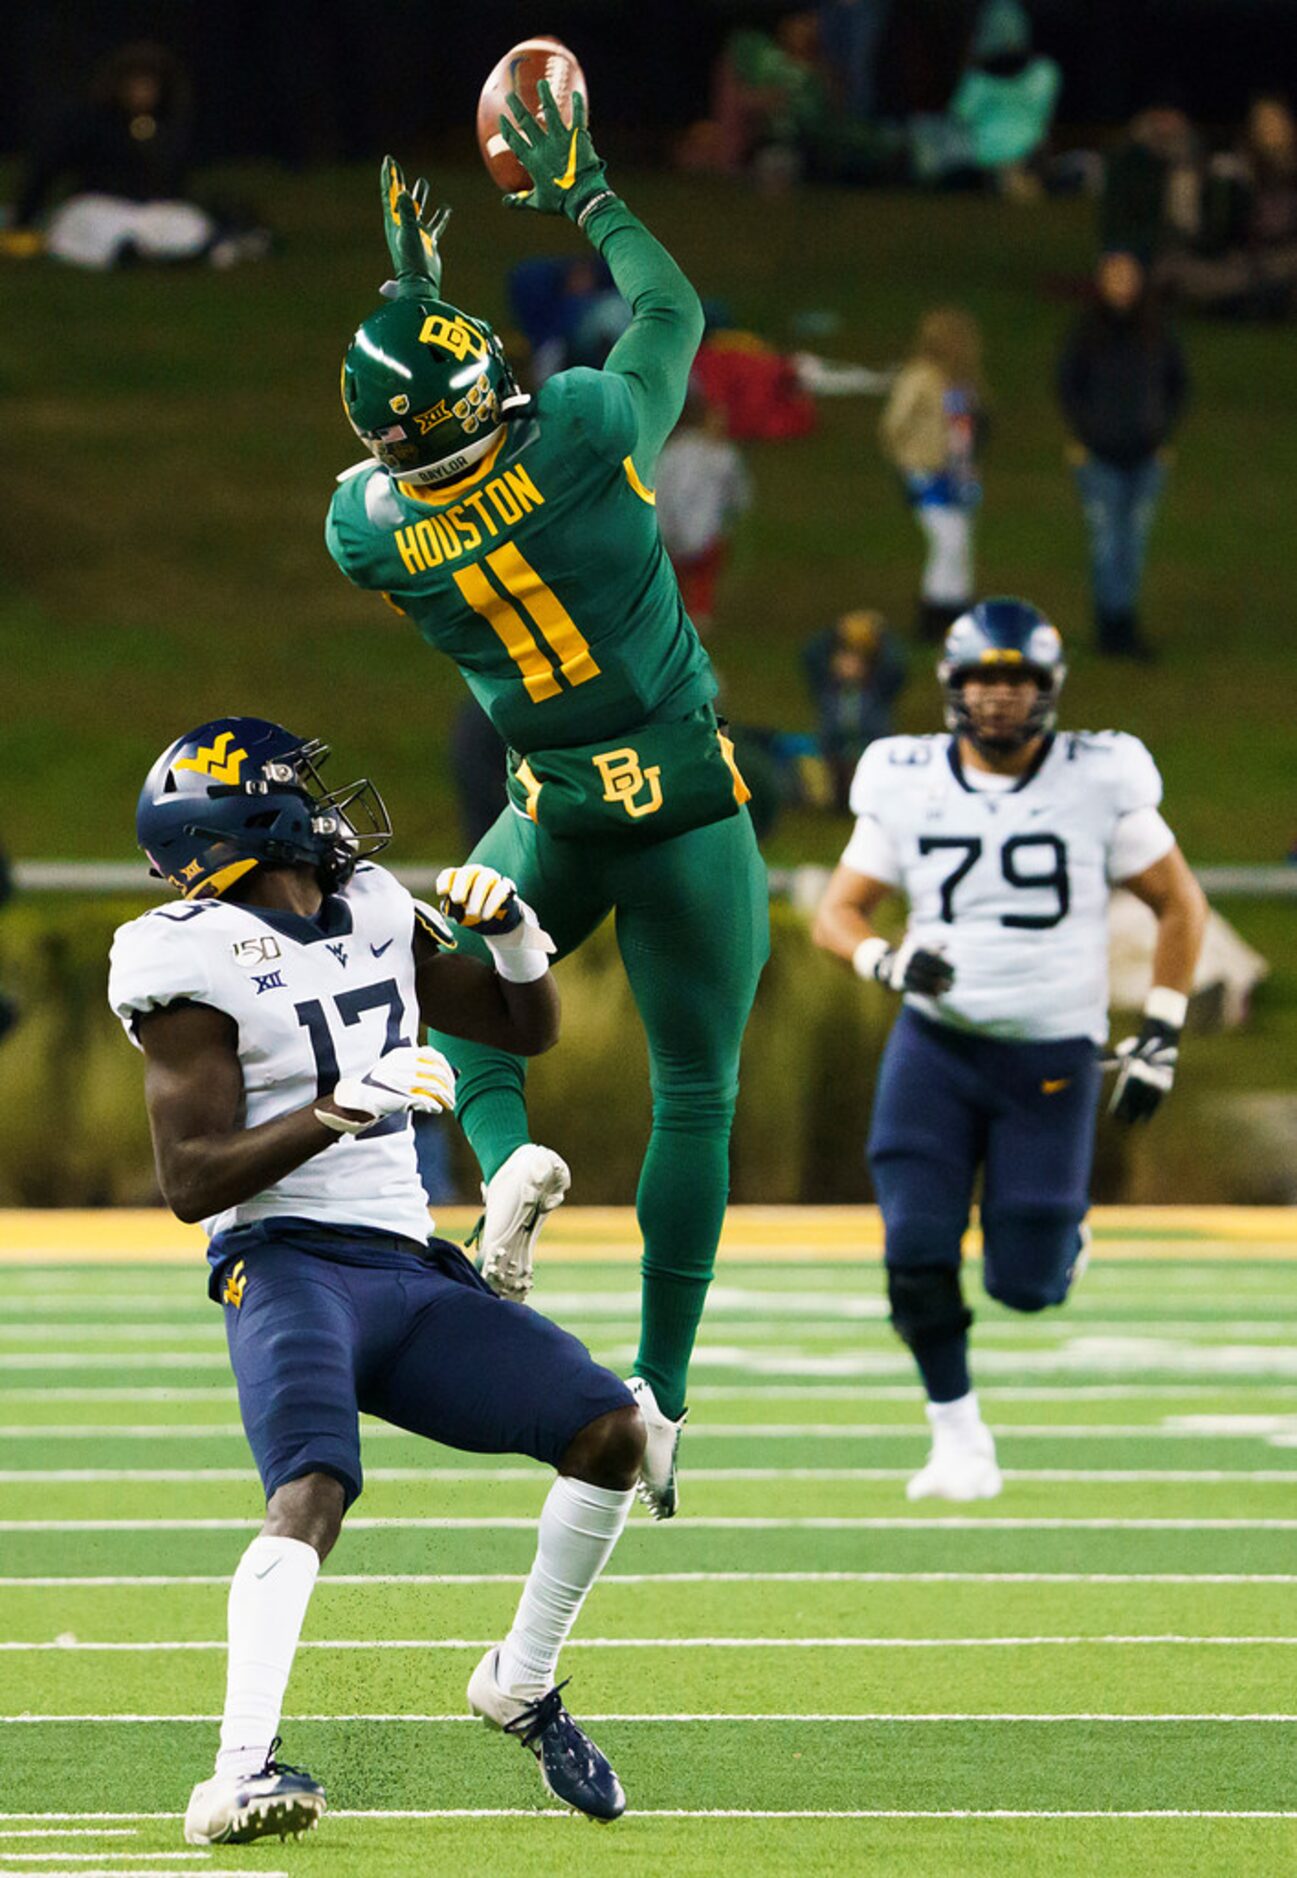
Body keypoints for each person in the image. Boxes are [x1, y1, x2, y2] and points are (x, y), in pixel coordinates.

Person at [324, 90, 770, 1520]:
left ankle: (510, 1163)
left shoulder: (371, 533)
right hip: (685, 793)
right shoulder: (577, 430)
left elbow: (392, 455)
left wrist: (407, 304)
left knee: (457, 1009)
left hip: (553, 811)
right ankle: (665, 1389)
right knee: (695, 1092)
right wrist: (581, 191)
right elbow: (672, 307)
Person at [107, 717, 645, 1843]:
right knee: (312, 1492)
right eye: (296, 790)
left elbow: (519, 1028)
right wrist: (338, 1109)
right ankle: (234, 1774)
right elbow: (192, 1180)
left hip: (405, 1265)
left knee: (608, 1432)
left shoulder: (377, 908)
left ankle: (521, 1680)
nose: (328, 805)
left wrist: (517, 942)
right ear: (239, 822)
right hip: (287, 1262)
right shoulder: (182, 953)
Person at [811, 599, 1207, 1501]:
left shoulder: (1098, 776)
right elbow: (838, 912)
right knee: (913, 1252)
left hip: (1051, 1057)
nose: (998, 697)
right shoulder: (904, 778)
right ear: (952, 687)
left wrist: (1162, 1031)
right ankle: (958, 1439)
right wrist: (887, 958)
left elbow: (1178, 901)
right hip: (936, 1050)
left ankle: (1058, 1234)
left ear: (1048, 689)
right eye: (983, 678)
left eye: (1017, 679)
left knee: (1028, 1287)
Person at [0, 42, 265, 270]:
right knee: (88, 227)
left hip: (154, 211)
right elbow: (46, 170)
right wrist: (25, 216)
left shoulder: (171, 127)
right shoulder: (90, 123)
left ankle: (169, 256)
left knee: (184, 223)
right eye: (135, 84)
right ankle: (125, 255)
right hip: (100, 206)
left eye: (149, 85)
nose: (141, 92)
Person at [1057, 251, 1189, 659]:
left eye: (1129, 277)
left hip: (1146, 455)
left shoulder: (1156, 332)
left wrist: (1162, 434)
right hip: (1099, 455)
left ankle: (1125, 620)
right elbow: (1068, 386)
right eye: (1114, 277)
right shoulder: (1086, 333)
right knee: (1106, 540)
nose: (1122, 286)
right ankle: (1110, 625)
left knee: (1133, 542)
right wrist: (1084, 436)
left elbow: (1178, 385)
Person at [879, 307, 986, 642]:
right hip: (928, 473)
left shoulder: (960, 380)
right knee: (946, 541)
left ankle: (957, 610)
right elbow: (895, 424)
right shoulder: (920, 377)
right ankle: (934, 616)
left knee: (961, 542)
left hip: (958, 473)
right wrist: (911, 461)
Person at [655, 389, 752, 632]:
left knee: (704, 567)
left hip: (706, 523)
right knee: (676, 569)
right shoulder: (681, 451)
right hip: (672, 519)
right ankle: (674, 611)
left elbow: (736, 492)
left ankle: (698, 612)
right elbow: (666, 482)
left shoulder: (726, 457)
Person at [801, 608, 907, 810]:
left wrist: (881, 635)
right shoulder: (827, 686)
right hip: (834, 751)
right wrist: (835, 633)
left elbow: (897, 665)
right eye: (845, 660)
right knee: (825, 779)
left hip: (869, 749)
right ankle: (837, 802)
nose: (850, 666)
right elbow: (810, 655)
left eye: (856, 662)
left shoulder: (879, 688)